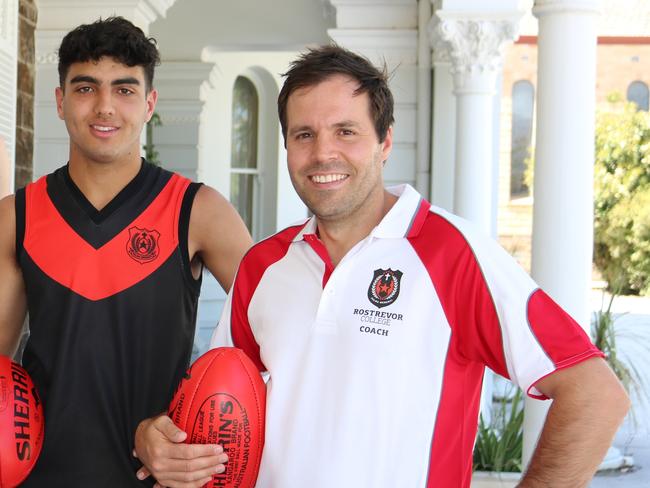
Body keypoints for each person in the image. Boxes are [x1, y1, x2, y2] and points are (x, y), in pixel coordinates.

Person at [137, 45, 630, 488]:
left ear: (385, 141)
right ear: (286, 147)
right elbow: (221, 408)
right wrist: (162, 442)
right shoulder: (263, 266)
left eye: (345, 131)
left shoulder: (452, 252)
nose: (322, 152)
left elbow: (593, 394)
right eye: (303, 134)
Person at [0, 17, 252, 487]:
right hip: (41, 477)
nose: (104, 107)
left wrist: (200, 428)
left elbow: (275, 342)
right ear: (60, 100)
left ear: (150, 103)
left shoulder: (197, 211)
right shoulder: (17, 216)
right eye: (85, 87)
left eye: (125, 89)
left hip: (158, 478)